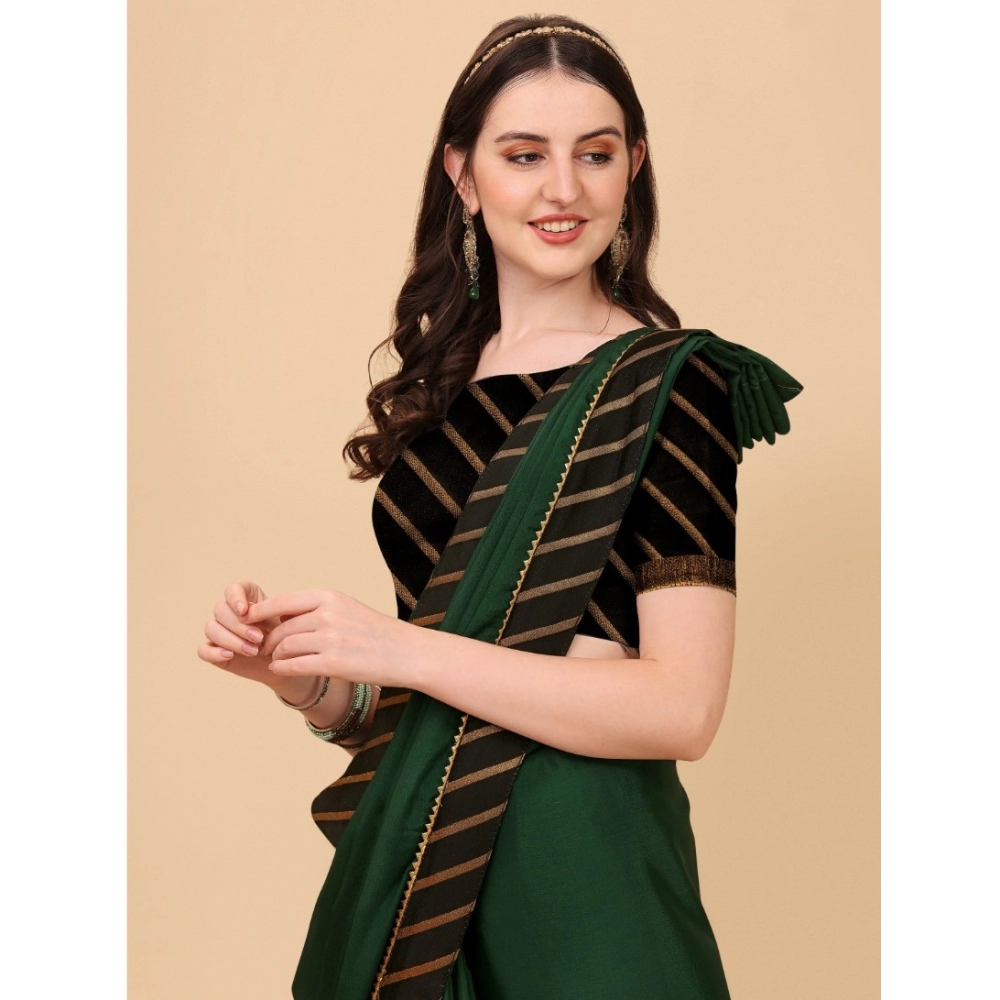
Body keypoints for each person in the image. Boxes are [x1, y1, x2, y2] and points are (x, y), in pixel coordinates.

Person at [197, 14, 802, 1000]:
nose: (563, 189)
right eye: (524, 156)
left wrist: (395, 648)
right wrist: (314, 683)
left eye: (594, 154)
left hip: (587, 878)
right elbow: (439, 701)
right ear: (464, 175)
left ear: (633, 167)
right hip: (412, 870)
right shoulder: (438, 388)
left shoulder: (666, 386)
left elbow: (682, 708)